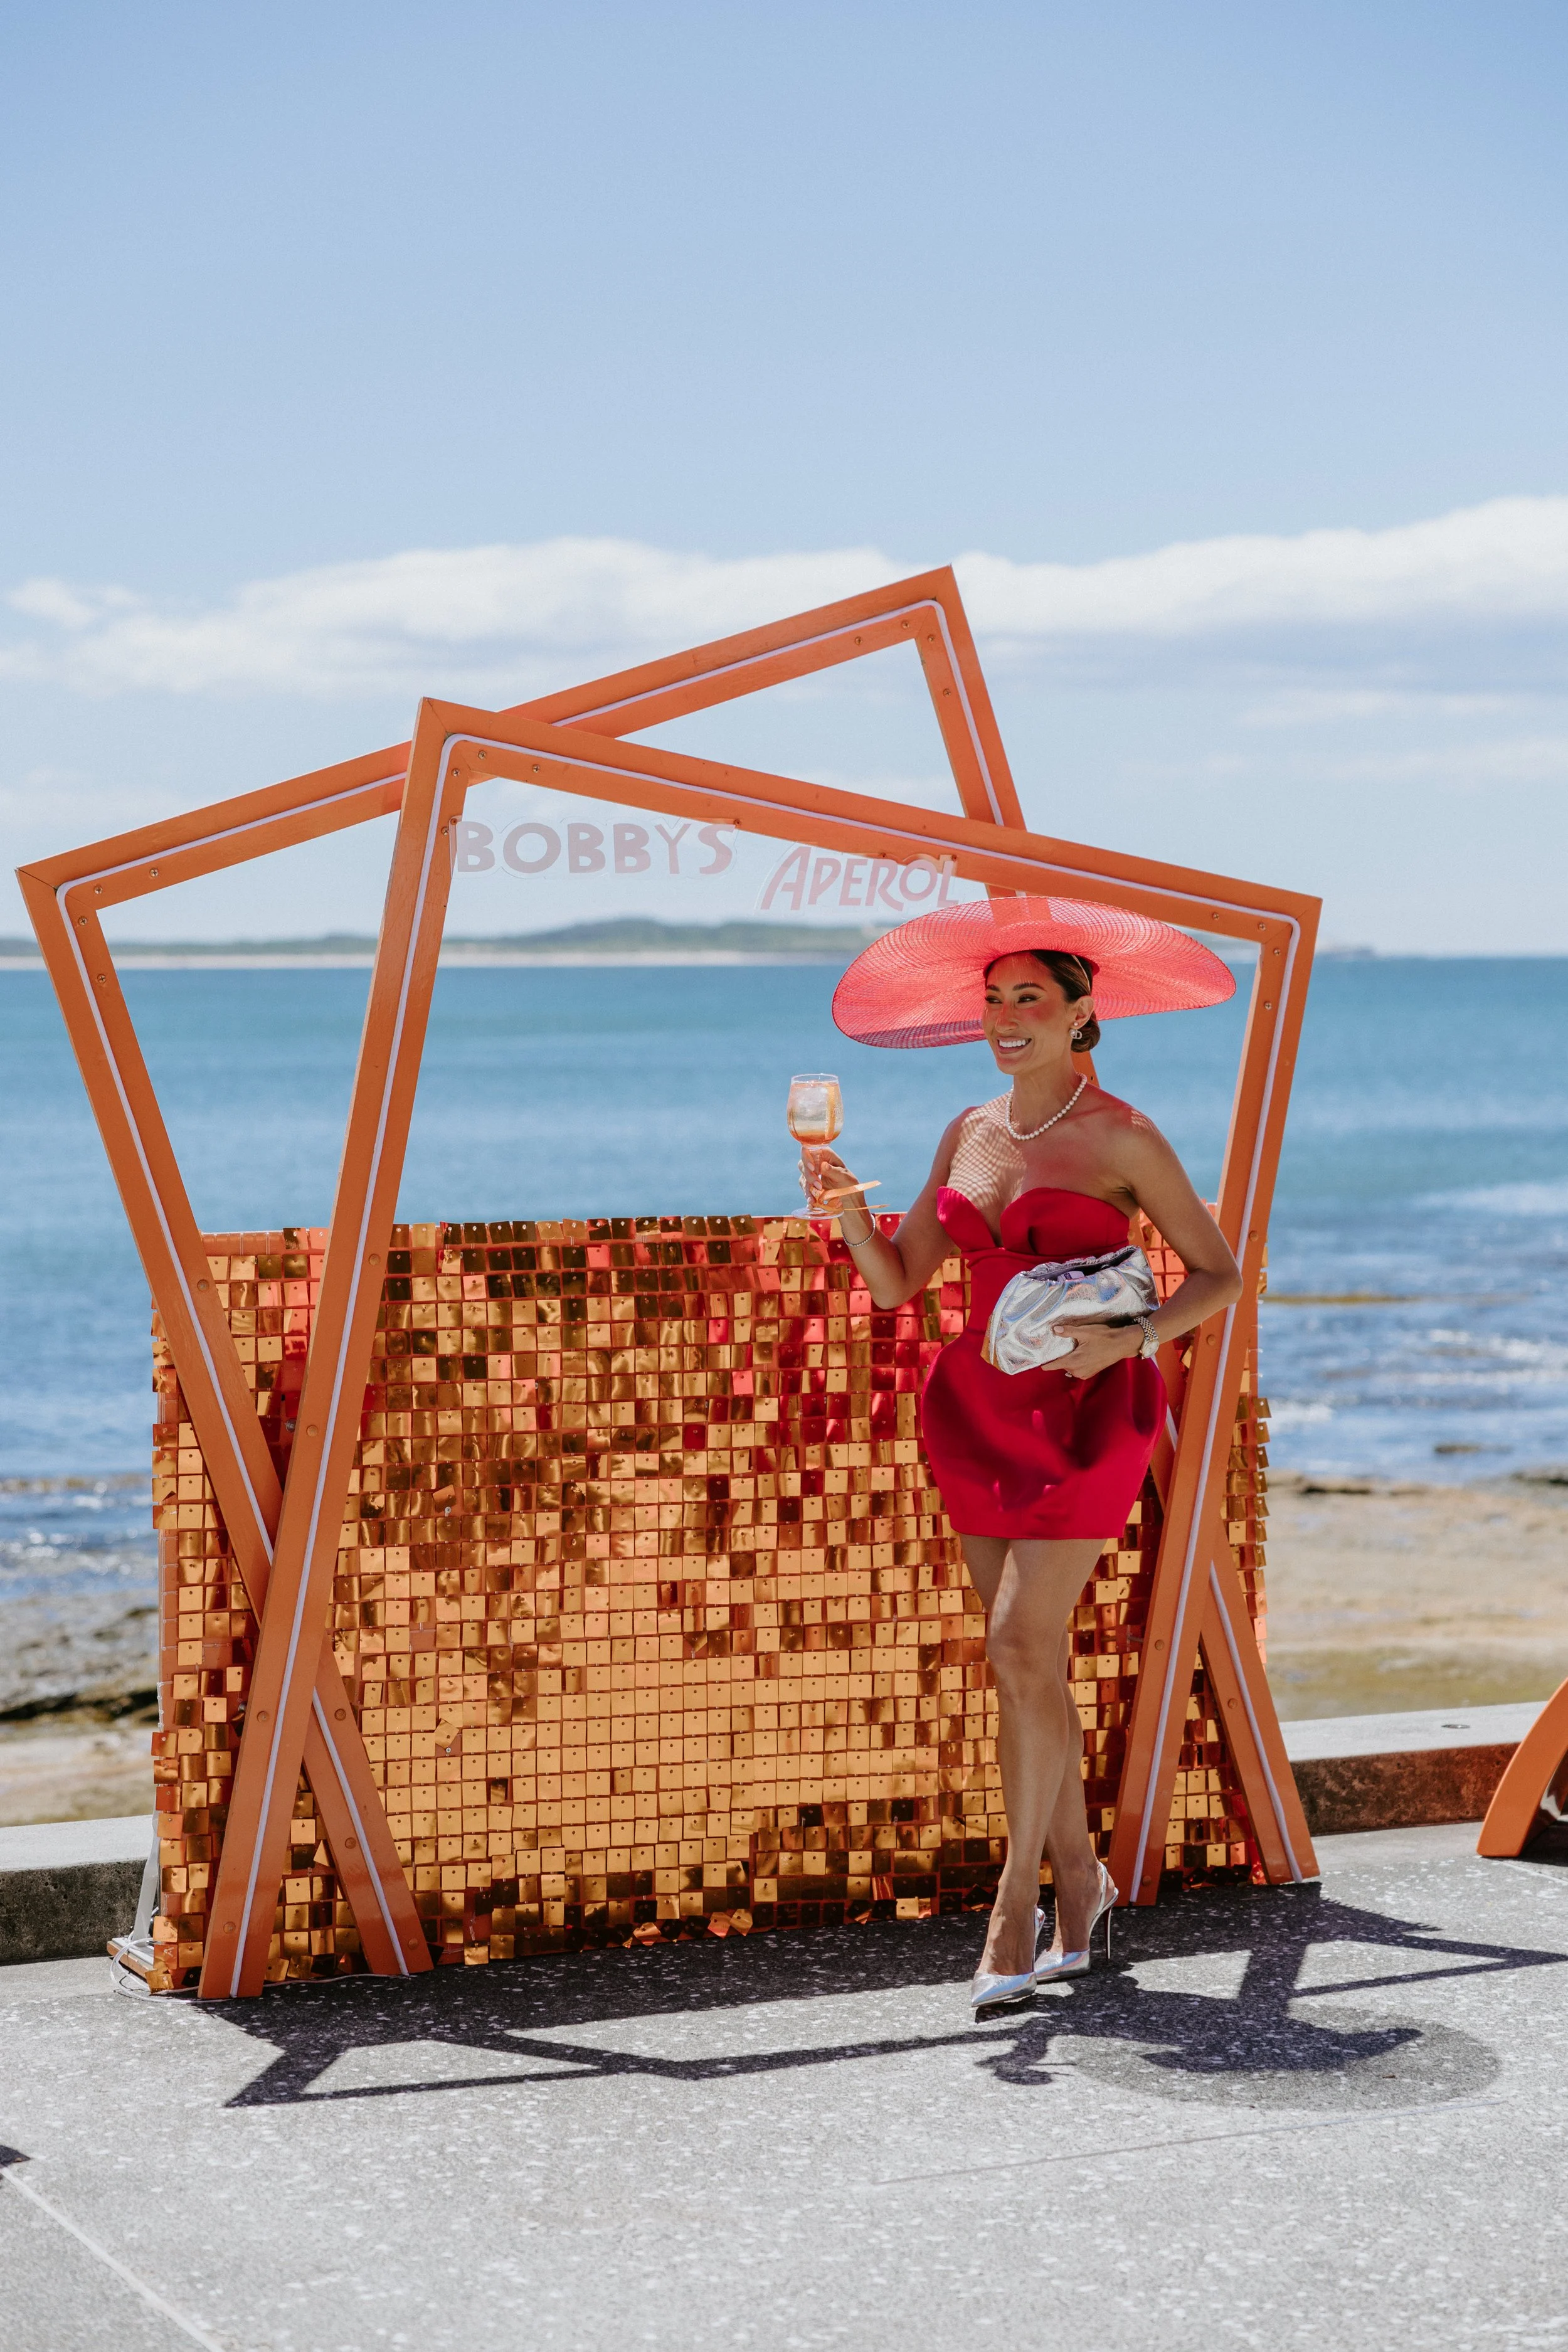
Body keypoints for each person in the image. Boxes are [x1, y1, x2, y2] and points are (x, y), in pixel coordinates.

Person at [803, 896, 1242, 2015]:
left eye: (1029, 998)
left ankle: (1014, 1905)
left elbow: (1219, 1272)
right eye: (993, 998)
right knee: (1024, 1664)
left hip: (1090, 1410)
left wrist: (1136, 1336)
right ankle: (1084, 1887)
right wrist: (845, 1210)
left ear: (1084, 1012)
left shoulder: (1126, 1133)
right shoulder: (966, 1130)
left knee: (1016, 1642)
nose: (1004, 1015)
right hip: (974, 1410)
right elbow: (902, 1281)